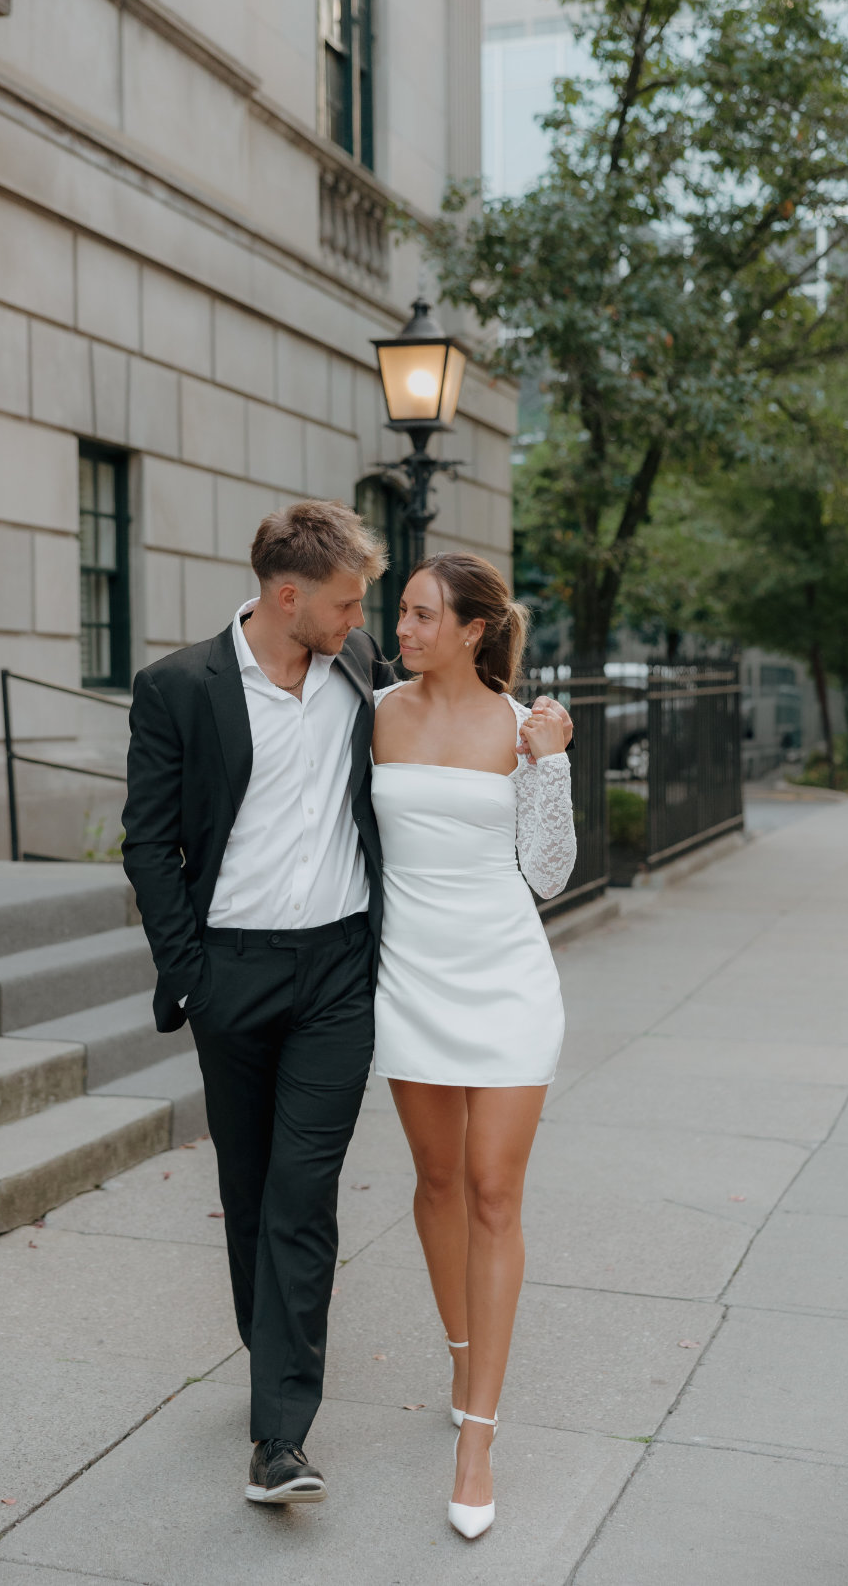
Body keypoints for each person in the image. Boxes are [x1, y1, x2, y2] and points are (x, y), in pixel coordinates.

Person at [121, 502, 572, 1508]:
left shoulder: (355, 670)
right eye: (354, 603)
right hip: (232, 969)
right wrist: (188, 970)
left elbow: (519, 813)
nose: (372, 622)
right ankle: (271, 1344)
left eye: (399, 610)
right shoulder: (182, 688)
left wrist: (550, 752)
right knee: (253, 1191)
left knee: (304, 1192)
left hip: (341, 971)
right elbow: (149, 841)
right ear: (290, 599)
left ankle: (280, 1434)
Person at [370, 552, 575, 1540]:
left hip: (506, 982)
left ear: (472, 629)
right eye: (400, 611)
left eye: (418, 613)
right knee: (437, 1177)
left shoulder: (521, 725)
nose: (401, 626)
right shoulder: (372, 714)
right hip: (410, 981)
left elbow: (546, 872)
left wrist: (555, 762)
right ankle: (460, 1347)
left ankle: (477, 1435)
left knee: (494, 1187)